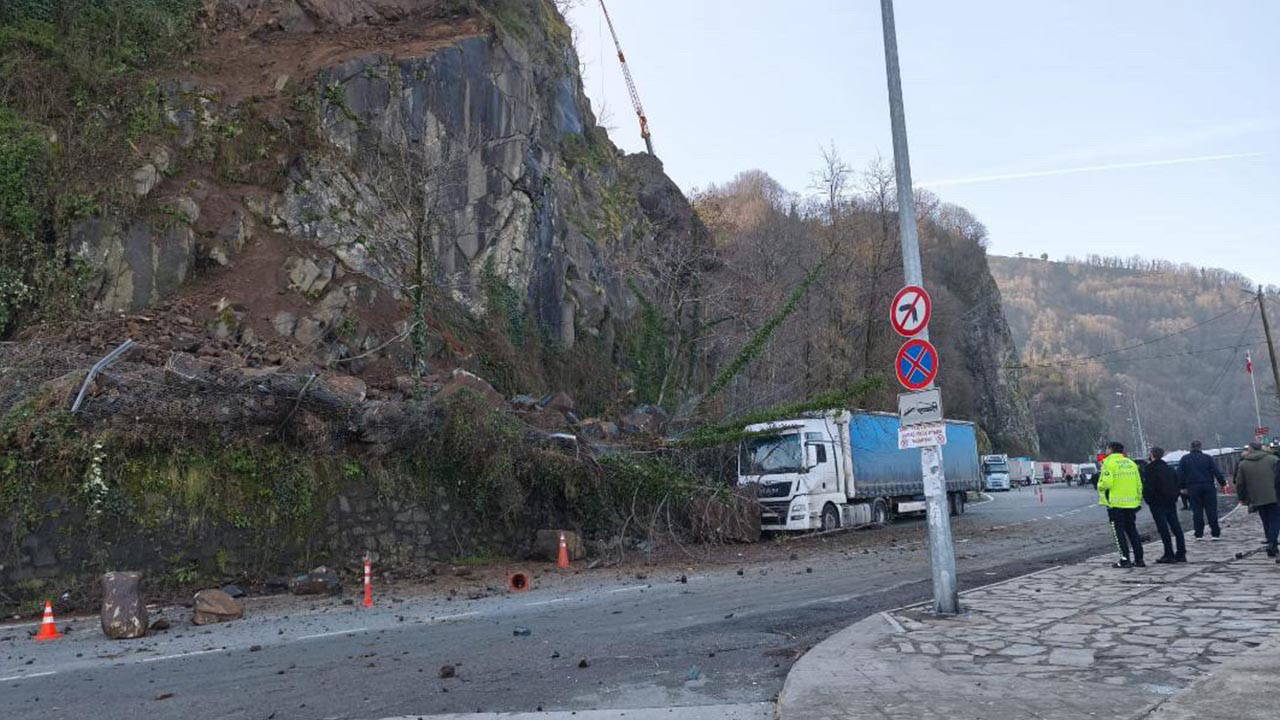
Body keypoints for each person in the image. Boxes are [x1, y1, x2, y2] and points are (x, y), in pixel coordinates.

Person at [1098, 441, 1145, 568]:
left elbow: (1107, 483)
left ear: (1110, 449)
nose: (1106, 451)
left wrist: (1099, 485)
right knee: (1132, 531)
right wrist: (1137, 499)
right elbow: (1139, 484)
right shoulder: (1130, 463)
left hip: (1115, 504)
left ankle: (1125, 559)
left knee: (1119, 533)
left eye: (1107, 448)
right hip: (1131, 503)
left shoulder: (1108, 463)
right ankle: (1139, 559)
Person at [1232, 441, 1280, 559]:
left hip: (1256, 496)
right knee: (1275, 519)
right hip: (1274, 494)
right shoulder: (1273, 460)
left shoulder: (1243, 464)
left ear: (1251, 450)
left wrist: (1242, 498)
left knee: (1265, 519)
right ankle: (1272, 542)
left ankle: (1271, 543)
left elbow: (1240, 484)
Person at [1142, 447, 1187, 563]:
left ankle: (1168, 553)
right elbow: (1177, 483)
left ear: (1152, 455)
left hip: (1157, 503)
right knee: (1176, 527)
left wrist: (1149, 500)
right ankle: (1181, 553)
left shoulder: (1149, 469)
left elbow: (1147, 487)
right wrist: (1175, 497)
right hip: (1170, 501)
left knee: (1163, 529)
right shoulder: (1169, 468)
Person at [1178, 440, 1226, 540]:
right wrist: (1222, 483)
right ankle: (1215, 533)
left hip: (1193, 487)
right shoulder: (1207, 458)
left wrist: (1182, 487)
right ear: (1200, 447)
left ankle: (1199, 534)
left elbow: (1180, 474)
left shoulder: (1184, 459)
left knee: (1197, 511)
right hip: (1208, 486)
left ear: (1190, 447)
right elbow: (1216, 471)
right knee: (1211, 510)